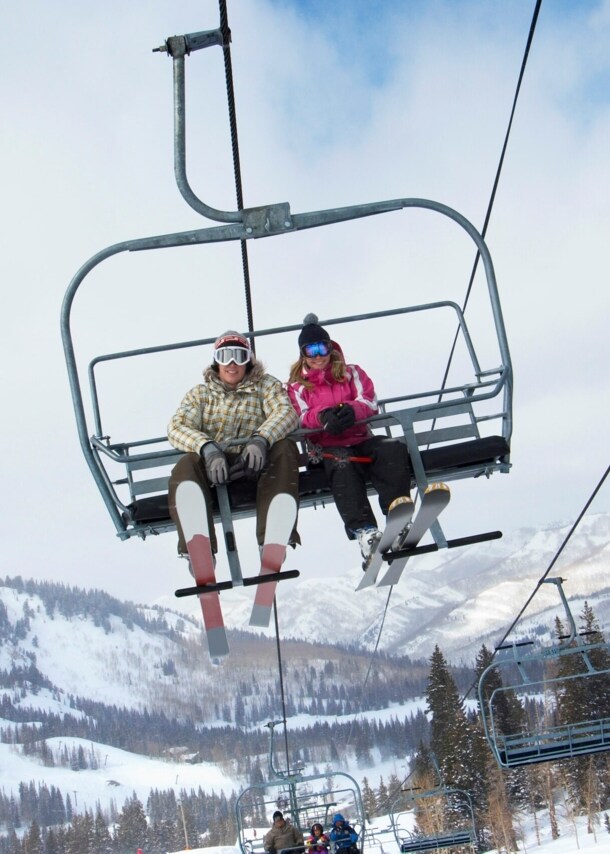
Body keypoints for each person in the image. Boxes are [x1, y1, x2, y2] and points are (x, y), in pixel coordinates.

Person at [167, 331, 300, 562]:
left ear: (248, 360)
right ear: (216, 361)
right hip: (214, 470)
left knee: (285, 448)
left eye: (238, 356)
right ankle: (198, 549)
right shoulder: (201, 394)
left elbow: (286, 413)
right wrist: (207, 449)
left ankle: (274, 537)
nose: (231, 364)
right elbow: (176, 427)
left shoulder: (265, 385)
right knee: (187, 464)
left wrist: (261, 440)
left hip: (256, 464)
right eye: (225, 356)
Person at [287, 314, 412, 560]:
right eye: (311, 350)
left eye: (323, 347)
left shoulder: (351, 372)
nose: (318, 355)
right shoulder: (296, 386)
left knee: (391, 449)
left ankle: (396, 514)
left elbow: (369, 399)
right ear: (303, 354)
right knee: (342, 466)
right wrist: (323, 418)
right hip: (328, 447)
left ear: (330, 347)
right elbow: (299, 416)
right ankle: (364, 531)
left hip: (361, 437)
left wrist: (352, 411)